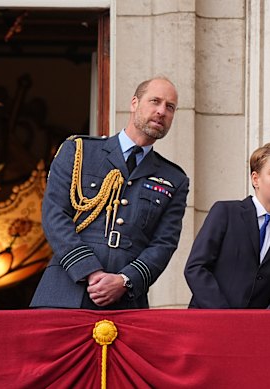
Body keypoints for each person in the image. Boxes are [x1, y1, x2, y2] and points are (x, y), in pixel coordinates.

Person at [30, 77, 189, 309]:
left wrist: (124, 281)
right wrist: (90, 271)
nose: (161, 111)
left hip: (126, 302)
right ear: (134, 103)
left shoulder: (174, 179)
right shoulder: (79, 151)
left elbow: (164, 244)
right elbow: (54, 215)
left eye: (170, 107)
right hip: (65, 291)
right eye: (155, 101)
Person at [184, 142, 270, 308]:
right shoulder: (226, 213)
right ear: (256, 179)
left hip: (254, 330)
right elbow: (196, 268)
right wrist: (225, 317)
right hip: (207, 321)